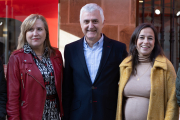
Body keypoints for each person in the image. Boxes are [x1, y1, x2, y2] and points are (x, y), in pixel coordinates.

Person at [63, 3, 128, 120]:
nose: (90, 25)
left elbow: (126, 83)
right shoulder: (70, 49)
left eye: (95, 21)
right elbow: (67, 88)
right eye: (86, 21)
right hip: (78, 114)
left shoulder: (119, 49)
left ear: (103, 22)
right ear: (81, 24)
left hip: (108, 114)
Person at [116, 23, 179, 120]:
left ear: (155, 42)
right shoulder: (125, 65)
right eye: (141, 37)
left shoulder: (165, 66)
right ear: (135, 41)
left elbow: (173, 100)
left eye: (150, 38)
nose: (146, 41)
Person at [6, 14, 64, 120]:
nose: (35, 34)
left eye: (39, 29)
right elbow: (12, 98)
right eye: (30, 30)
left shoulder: (56, 55)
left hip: (54, 115)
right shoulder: (16, 58)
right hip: (29, 116)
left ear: (46, 32)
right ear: (25, 34)